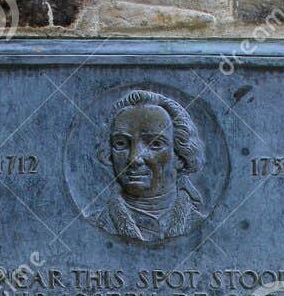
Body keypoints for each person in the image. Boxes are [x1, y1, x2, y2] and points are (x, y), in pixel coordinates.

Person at [86, 88, 208, 245]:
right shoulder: (93, 225)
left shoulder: (207, 227)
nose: (134, 158)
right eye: (121, 144)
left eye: (155, 144)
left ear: (180, 156)